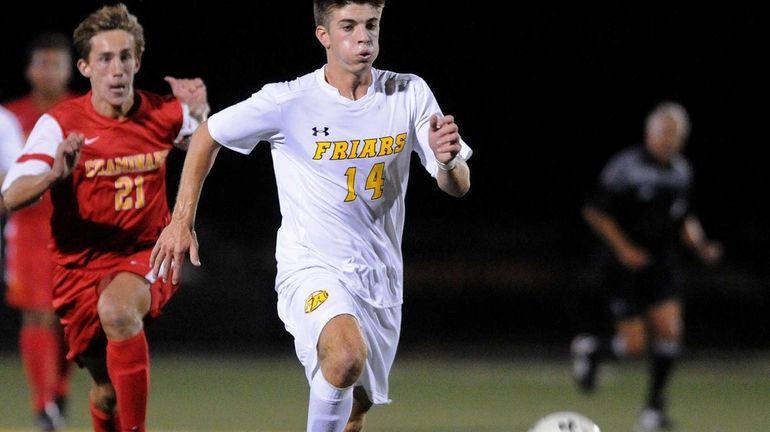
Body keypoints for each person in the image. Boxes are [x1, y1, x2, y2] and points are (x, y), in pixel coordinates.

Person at [150, 1, 472, 431]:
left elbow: (457, 185)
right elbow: (209, 134)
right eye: (349, 26)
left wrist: (447, 160)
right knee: (345, 357)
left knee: (353, 407)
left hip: (380, 279)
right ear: (324, 36)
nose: (364, 37)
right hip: (312, 267)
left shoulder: (409, 93)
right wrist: (181, 219)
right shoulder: (289, 101)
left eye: (371, 25)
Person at [1, 4, 209, 432]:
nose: (117, 69)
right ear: (85, 66)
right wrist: (55, 174)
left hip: (146, 255)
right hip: (77, 269)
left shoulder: (165, 113)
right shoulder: (59, 124)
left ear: (138, 61)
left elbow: (206, 147)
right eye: (105, 59)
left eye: (125, 57)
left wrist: (202, 115)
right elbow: (10, 196)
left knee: (117, 311)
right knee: (106, 391)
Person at [571, 101, 721, 431]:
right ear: (649, 134)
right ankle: (595, 349)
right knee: (635, 346)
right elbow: (595, 210)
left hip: (660, 263)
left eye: (677, 135)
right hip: (621, 264)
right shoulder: (626, 167)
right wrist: (624, 248)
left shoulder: (682, 171)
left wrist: (700, 245)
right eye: (665, 133)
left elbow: (683, 217)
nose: (671, 140)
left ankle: (652, 410)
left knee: (670, 332)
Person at [1, 31, 77, 431]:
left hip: (77, 227)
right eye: (44, 62)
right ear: (31, 69)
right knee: (38, 315)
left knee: (73, 321)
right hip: (29, 230)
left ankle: (59, 392)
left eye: (58, 63)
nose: (51, 71)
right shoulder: (9, 116)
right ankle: (42, 405)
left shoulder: (82, 111)